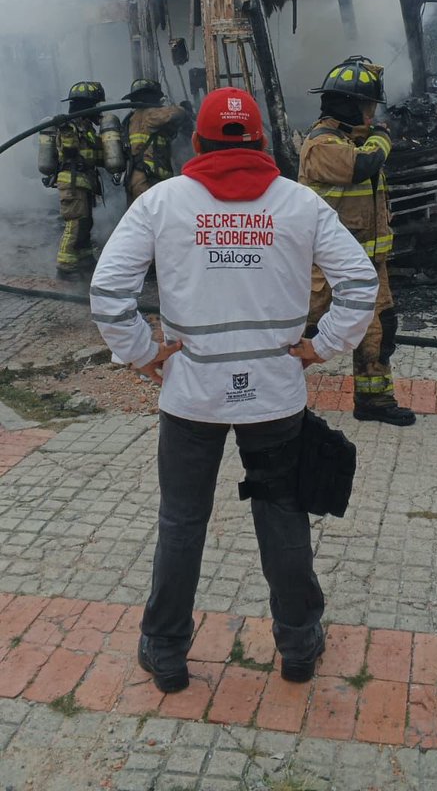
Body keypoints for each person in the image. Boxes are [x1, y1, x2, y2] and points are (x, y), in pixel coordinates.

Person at [90, 87, 378, 693]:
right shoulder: (299, 204)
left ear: (196, 142)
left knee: (181, 522)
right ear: (261, 142)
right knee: (283, 517)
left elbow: (108, 294)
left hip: (190, 394)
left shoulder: (161, 203)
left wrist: (143, 356)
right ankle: (298, 644)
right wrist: (322, 346)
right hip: (274, 395)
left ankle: (165, 653)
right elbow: (359, 281)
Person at [299, 56, 416, 427]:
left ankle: (374, 401)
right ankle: (262, 391)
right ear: (349, 105)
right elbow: (360, 166)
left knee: (380, 328)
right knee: (300, 329)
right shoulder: (322, 145)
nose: (371, 113)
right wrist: (383, 135)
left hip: (368, 266)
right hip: (323, 268)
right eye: (367, 106)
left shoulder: (350, 140)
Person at [54, 81, 105, 280]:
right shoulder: (69, 126)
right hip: (73, 182)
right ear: (87, 105)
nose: (97, 111)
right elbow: (70, 150)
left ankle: (85, 260)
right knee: (74, 223)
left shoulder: (87, 128)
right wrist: (65, 129)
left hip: (84, 182)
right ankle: (65, 267)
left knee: (85, 222)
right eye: (95, 106)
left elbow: (96, 156)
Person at [122, 78, 192, 203]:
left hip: (136, 178)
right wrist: (184, 109)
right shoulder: (150, 113)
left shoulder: (131, 119)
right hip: (148, 179)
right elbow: (174, 113)